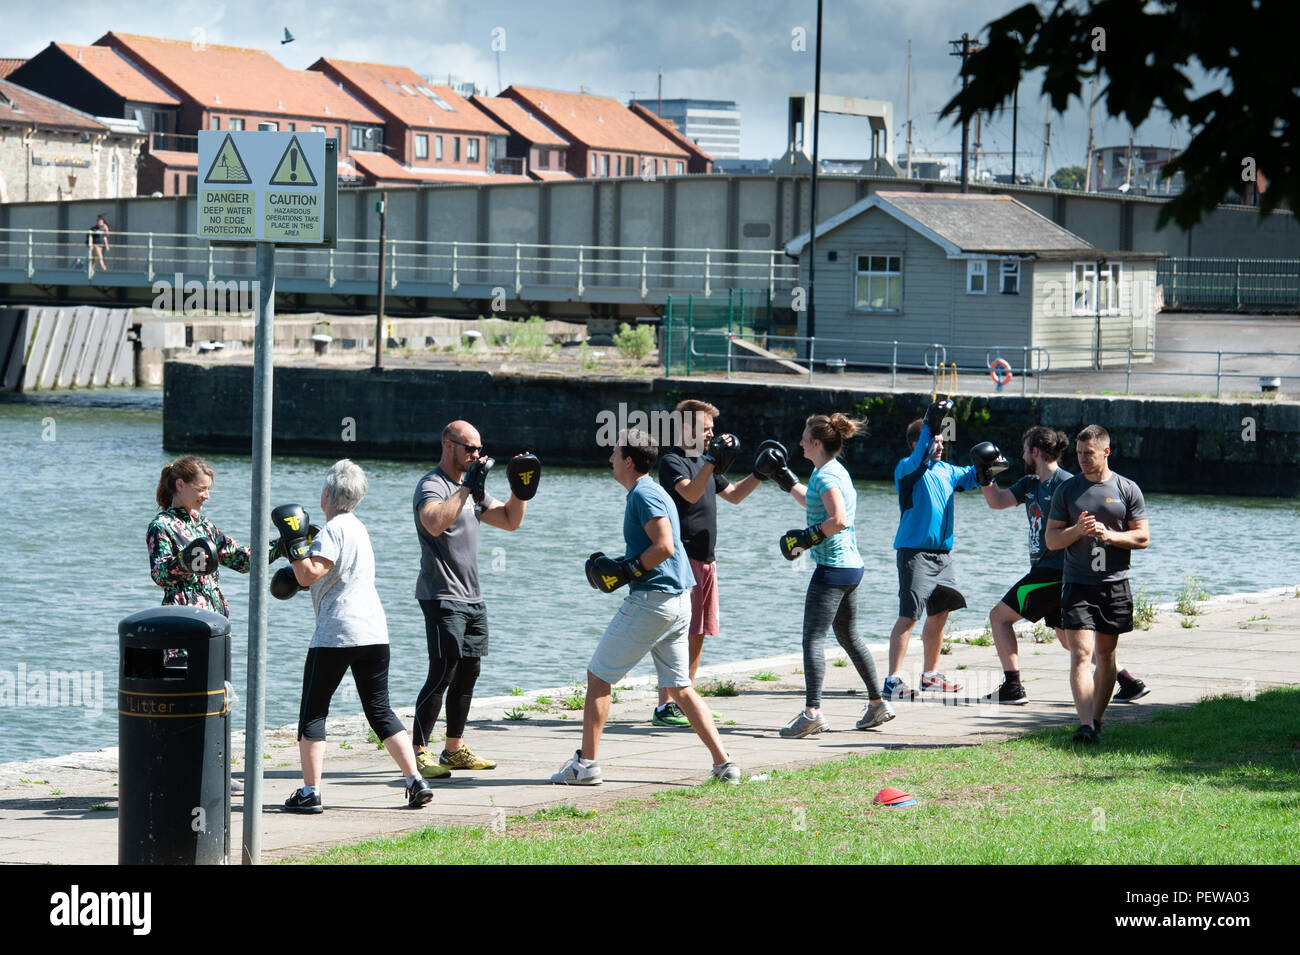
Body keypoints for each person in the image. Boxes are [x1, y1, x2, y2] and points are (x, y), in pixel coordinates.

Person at [554, 429, 740, 785]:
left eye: (614, 452)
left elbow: (666, 546)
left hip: (654, 601)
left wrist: (627, 571)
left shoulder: (644, 493)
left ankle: (586, 766)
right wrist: (624, 563)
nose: (609, 457)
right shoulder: (650, 490)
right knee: (681, 688)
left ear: (628, 460)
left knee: (599, 677)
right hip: (677, 601)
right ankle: (724, 764)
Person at [275, 460, 432, 812]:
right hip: (374, 631)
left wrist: (295, 543)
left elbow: (309, 574)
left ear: (328, 493)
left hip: (337, 633)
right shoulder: (359, 528)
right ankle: (415, 780)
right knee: (379, 709)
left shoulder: (333, 530)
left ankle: (310, 792)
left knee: (313, 713)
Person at [980, 426, 1151, 705]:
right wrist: (984, 473)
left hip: (1058, 571)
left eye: (1025, 449)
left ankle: (1013, 686)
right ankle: (1128, 682)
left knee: (999, 617)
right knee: (1068, 641)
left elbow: (1092, 531)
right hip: (1045, 569)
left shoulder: (1069, 484)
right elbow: (997, 502)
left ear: (1035, 451)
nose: (1022, 454)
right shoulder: (1029, 483)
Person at [411, 421, 538, 777]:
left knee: (469, 672)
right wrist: (466, 489)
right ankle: (419, 753)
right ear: (449, 445)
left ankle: (453, 748)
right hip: (440, 594)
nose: (477, 456)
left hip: (472, 596)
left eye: (479, 450)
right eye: (470, 449)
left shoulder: (473, 489)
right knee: (443, 672)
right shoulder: (432, 485)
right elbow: (433, 522)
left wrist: (520, 489)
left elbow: (511, 521)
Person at [147, 454, 270, 796]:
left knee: (218, 700)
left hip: (215, 625)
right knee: (186, 703)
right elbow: (159, 574)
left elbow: (243, 561)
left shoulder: (206, 527)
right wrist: (186, 561)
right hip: (181, 624)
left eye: (208, 490)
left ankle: (215, 771)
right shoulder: (162, 526)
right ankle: (176, 772)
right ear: (180, 485)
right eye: (201, 489)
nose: (206, 495)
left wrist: (283, 545)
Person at [771, 413, 895, 737]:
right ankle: (877, 704)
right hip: (852, 568)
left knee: (812, 639)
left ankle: (812, 713)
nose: (799, 442)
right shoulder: (831, 471)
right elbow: (816, 505)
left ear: (815, 443)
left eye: (803, 437)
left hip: (833, 570)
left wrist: (807, 538)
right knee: (849, 637)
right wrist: (785, 480)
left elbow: (837, 519)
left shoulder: (826, 477)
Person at [650, 399, 757, 727]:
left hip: (708, 561)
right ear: (685, 429)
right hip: (683, 560)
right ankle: (665, 705)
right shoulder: (673, 461)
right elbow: (691, 494)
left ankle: (687, 700)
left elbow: (735, 495)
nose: (712, 435)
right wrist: (711, 461)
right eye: (705, 429)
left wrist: (763, 472)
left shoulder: (706, 462)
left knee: (698, 632)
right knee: (676, 632)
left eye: (712, 430)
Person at [1045, 425, 1149, 743]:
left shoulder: (1126, 488)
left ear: (1105, 452)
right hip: (1077, 583)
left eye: (1088, 453)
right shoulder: (1067, 490)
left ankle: (1097, 720)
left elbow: (1142, 536)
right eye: (1078, 453)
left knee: (1106, 656)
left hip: (1114, 583)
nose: (1082, 459)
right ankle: (1085, 724)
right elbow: (1051, 540)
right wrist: (1077, 530)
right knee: (1080, 654)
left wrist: (1110, 536)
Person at [884, 400, 987, 700]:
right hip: (914, 553)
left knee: (940, 613)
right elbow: (918, 459)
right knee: (909, 616)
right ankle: (892, 681)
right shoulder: (907, 469)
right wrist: (931, 422)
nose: (940, 446)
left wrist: (987, 468)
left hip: (943, 556)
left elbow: (970, 477)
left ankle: (929, 676)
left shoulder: (946, 471)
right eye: (934, 441)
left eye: (942, 441)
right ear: (917, 443)